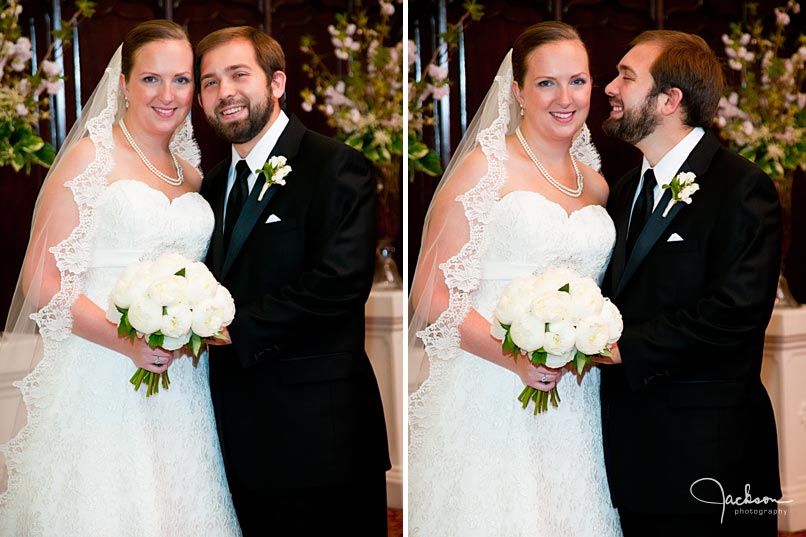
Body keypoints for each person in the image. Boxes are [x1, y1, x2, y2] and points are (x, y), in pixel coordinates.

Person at [0, 20, 241, 536]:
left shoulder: (194, 175)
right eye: (151, 79)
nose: (168, 95)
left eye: (181, 80)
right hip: (101, 370)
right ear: (124, 84)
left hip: (183, 382)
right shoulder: (89, 159)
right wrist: (126, 341)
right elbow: (39, 280)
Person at [408, 22, 622, 537]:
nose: (564, 97)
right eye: (546, 83)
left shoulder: (595, 185)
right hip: (491, 384)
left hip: (576, 395)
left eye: (578, 81)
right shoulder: (483, 169)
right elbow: (431, 292)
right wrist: (516, 358)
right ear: (519, 92)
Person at [194, 26, 390, 536]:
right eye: (210, 82)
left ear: (276, 82)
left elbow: (339, 283)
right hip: (233, 433)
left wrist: (232, 330)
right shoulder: (211, 186)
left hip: (319, 439)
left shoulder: (335, 166)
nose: (224, 92)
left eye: (239, 75)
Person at [597, 30, 782, 536]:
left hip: (711, 457)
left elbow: (734, 316)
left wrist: (621, 349)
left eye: (626, 77)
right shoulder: (626, 190)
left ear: (668, 100)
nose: (609, 88)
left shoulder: (741, 188)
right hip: (631, 454)